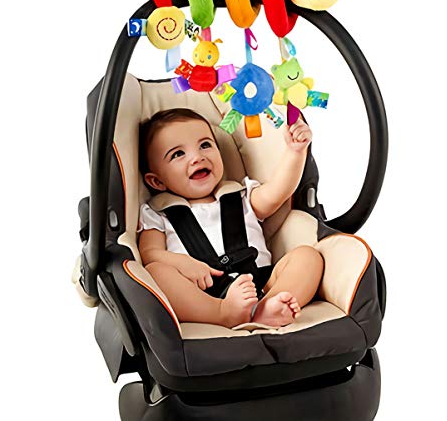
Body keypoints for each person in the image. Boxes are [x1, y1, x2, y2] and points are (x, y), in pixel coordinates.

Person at [138, 108, 324, 328]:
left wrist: (296, 152)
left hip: (260, 283)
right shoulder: (158, 213)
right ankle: (222, 313)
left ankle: (267, 307)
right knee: (155, 272)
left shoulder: (242, 196)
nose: (198, 157)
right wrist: (182, 263)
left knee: (308, 256)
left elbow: (278, 191)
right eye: (178, 154)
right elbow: (150, 254)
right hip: (202, 291)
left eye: (205, 145)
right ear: (157, 181)